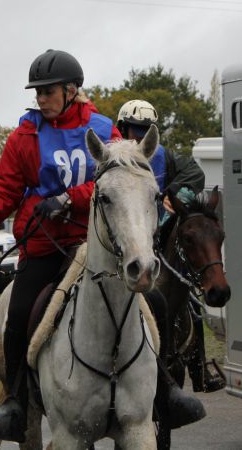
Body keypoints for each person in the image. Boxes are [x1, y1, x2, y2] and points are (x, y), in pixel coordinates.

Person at [0, 49, 122, 442]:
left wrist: (71, 198)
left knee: (150, 302)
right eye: (37, 92)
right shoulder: (25, 136)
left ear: (71, 91)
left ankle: (163, 388)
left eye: (48, 91)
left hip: (96, 241)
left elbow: (117, 174)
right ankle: (16, 401)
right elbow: (5, 188)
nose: (40, 98)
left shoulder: (104, 130)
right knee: (18, 315)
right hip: (46, 246)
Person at [117, 99, 211, 427]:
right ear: (122, 129)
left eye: (146, 130)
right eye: (134, 129)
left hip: (161, 240)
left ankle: (199, 368)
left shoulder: (168, 157)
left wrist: (175, 193)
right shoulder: (116, 159)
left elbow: (195, 174)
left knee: (189, 295)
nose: (139, 135)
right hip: (123, 246)